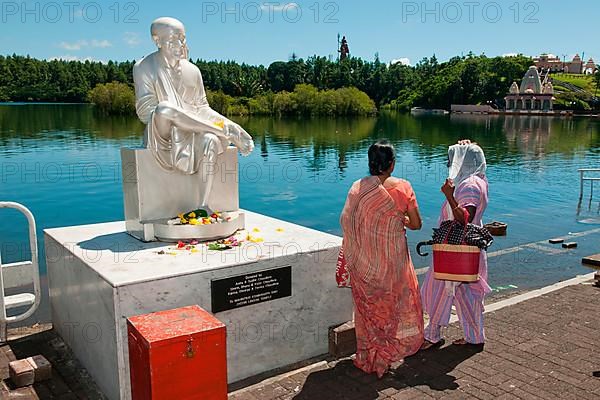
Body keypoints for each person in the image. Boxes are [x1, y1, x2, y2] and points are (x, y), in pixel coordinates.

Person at [133, 17, 254, 211]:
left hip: (193, 132)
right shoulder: (143, 67)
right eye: (173, 39)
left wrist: (231, 125)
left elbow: (202, 108)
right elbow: (146, 113)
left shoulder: (193, 71)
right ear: (157, 41)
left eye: (182, 38)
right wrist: (177, 117)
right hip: (161, 133)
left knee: (210, 140)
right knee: (164, 108)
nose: (180, 44)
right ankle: (222, 132)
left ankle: (203, 205)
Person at [340, 139, 424, 377]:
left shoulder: (358, 187)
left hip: (364, 262)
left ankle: (370, 352)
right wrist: (400, 219)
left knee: (370, 306)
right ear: (392, 164)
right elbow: (417, 224)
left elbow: (347, 222)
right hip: (392, 260)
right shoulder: (403, 187)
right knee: (392, 302)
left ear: (370, 163)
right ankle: (388, 349)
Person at [420, 140, 491, 349]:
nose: (449, 163)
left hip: (455, 248)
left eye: (452, 159)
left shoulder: (469, 185)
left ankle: (432, 335)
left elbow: (463, 218)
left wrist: (449, 196)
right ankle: (474, 336)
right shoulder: (478, 179)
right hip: (468, 247)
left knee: (438, 289)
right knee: (467, 294)